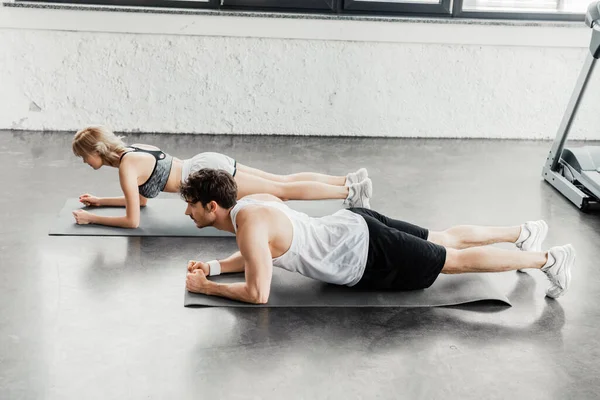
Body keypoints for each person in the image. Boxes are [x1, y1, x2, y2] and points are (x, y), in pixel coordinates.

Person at [182, 169, 574, 304]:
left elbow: (257, 292)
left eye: (192, 205)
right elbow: (259, 257)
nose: (187, 211)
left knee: (452, 261)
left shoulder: (249, 229)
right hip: (355, 224)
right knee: (444, 237)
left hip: (364, 252)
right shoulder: (252, 206)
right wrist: (215, 267)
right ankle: (523, 233)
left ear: (212, 206)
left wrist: (206, 289)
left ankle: (547, 260)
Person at [70, 125, 372, 228]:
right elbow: (143, 202)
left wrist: (90, 218)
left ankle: (350, 193)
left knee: (282, 191)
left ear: (96, 150)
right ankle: (347, 180)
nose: (85, 162)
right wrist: (99, 202)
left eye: (84, 156)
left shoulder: (125, 168)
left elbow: (133, 220)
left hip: (205, 175)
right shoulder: (134, 151)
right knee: (281, 180)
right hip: (204, 163)